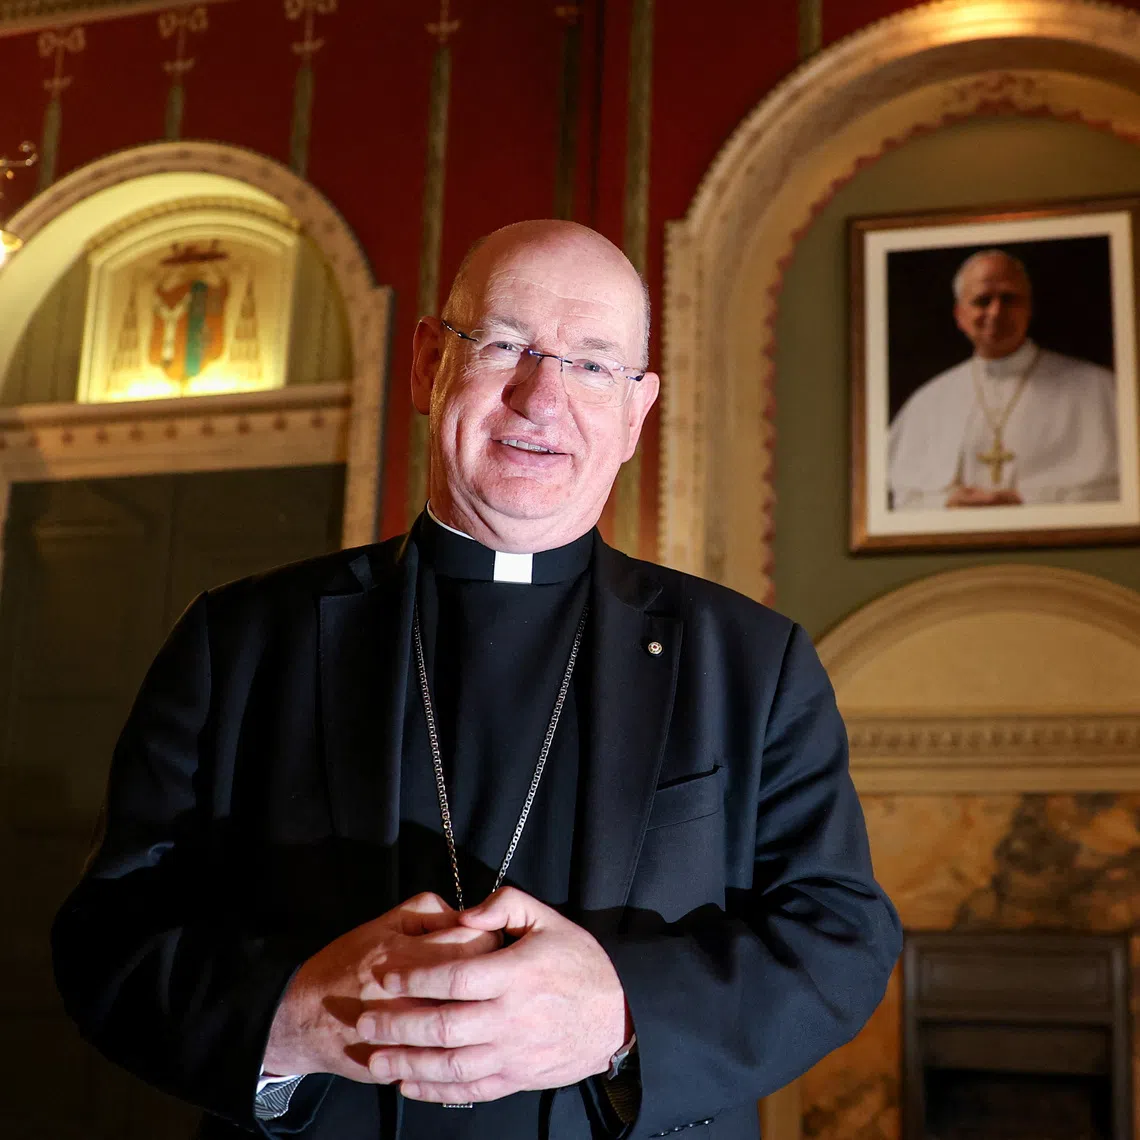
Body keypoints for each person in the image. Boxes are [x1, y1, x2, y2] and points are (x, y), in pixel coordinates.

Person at [53, 220, 901, 1140]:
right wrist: (294, 1017)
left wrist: (620, 1015)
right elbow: (108, 935)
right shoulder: (242, 640)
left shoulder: (752, 661)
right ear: (428, 366)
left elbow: (840, 936)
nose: (542, 399)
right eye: (504, 345)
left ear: (636, 412)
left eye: (592, 365)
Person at [888, 249, 1119, 510]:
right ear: (959, 315)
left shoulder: (1101, 390)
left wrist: (1030, 500)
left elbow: (1121, 494)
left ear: (1028, 308)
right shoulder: (927, 402)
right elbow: (902, 501)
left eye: (1009, 299)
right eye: (982, 301)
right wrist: (946, 503)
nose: (996, 312)